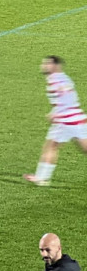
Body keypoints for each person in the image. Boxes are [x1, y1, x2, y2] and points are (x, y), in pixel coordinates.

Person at [24, 56, 87, 186]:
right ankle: (41, 178)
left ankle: (41, 178)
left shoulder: (55, 81)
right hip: (78, 118)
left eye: (47, 63)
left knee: (50, 147)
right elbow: (70, 97)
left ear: (55, 65)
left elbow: (65, 99)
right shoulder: (63, 78)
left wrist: (56, 113)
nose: (43, 65)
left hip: (64, 121)